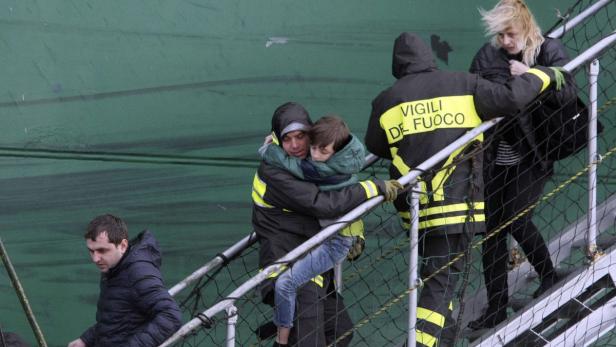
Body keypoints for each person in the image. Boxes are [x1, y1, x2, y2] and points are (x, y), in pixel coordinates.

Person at [365, 32, 563, 346]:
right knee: (440, 284)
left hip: (418, 210)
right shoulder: (463, 83)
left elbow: (375, 144)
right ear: (429, 58)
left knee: (438, 281)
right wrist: (543, 74)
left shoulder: (389, 99)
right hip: (461, 205)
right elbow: (509, 99)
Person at [466, 0, 577, 330]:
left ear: (526, 28)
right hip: (496, 153)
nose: (505, 41)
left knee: (516, 218)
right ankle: (496, 305)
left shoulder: (547, 50)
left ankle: (548, 275)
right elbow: (472, 93)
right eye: (500, 35)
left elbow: (568, 91)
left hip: (534, 151)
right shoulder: (487, 56)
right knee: (492, 231)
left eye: (510, 34)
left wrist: (531, 75)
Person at [252, 102, 401, 347]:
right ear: (278, 140)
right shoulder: (274, 170)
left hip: (313, 268)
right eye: (287, 139)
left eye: (301, 136)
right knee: (310, 341)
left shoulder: (311, 167)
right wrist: (369, 188)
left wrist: (357, 234)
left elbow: (338, 203)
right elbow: (322, 205)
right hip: (288, 268)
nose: (296, 145)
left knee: (340, 332)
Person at [67, 214, 182, 347]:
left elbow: (171, 316)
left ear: (123, 245)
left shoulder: (138, 273)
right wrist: (86, 340)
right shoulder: (113, 268)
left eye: (102, 250)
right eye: (91, 251)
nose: (95, 259)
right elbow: (117, 317)